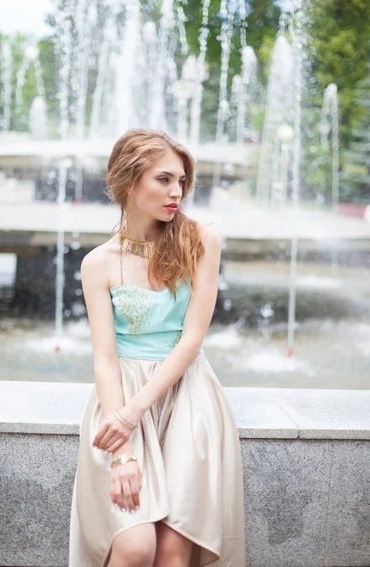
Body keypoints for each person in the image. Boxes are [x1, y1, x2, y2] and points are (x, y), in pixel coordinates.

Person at [69, 128, 246, 567]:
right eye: (164, 179)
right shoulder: (98, 263)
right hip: (120, 397)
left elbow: (191, 342)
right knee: (134, 546)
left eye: (182, 181)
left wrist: (136, 411)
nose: (177, 192)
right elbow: (105, 358)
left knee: (171, 549)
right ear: (130, 183)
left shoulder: (201, 241)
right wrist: (122, 445)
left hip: (187, 395)